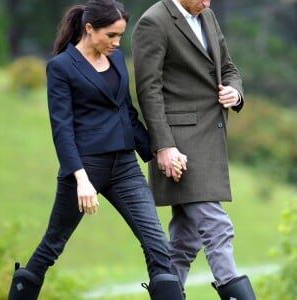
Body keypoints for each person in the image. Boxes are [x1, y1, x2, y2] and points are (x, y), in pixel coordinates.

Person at [7, 1, 185, 299]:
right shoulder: (61, 67)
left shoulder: (114, 60)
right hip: (85, 167)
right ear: (89, 28)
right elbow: (62, 128)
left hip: (125, 166)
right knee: (53, 245)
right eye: (111, 35)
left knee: (157, 245)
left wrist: (159, 150)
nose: (117, 43)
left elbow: (126, 113)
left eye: (120, 36)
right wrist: (81, 178)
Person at [132, 0, 257, 299]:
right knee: (217, 226)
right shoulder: (153, 22)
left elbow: (228, 68)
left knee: (186, 240)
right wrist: (163, 146)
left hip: (210, 141)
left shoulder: (208, 15)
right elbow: (148, 89)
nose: (208, 1)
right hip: (180, 146)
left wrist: (235, 92)